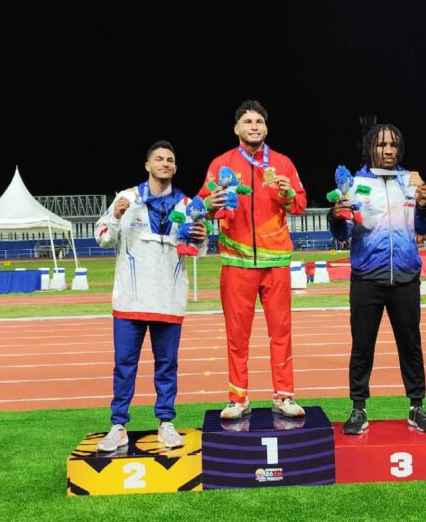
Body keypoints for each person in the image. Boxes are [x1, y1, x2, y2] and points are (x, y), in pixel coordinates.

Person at [94, 141, 207, 452]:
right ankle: (118, 425)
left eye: (170, 159)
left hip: (168, 299)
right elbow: (102, 238)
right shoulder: (126, 198)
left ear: (175, 167)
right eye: (159, 159)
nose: (165, 163)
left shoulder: (187, 204)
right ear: (147, 165)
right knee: (124, 364)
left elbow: (196, 250)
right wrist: (115, 217)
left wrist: (201, 238)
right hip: (130, 299)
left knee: (167, 365)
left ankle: (166, 423)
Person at [200, 100, 307, 420]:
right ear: (237, 128)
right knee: (236, 334)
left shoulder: (283, 163)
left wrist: (289, 193)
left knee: (281, 332)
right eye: (247, 121)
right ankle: (238, 398)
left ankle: (284, 395)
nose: (254, 126)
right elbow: (202, 205)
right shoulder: (221, 164)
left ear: (266, 128)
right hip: (236, 262)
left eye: (259, 121)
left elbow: (299, 203)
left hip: (275, 261)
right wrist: (210, 203)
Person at [328, 124, 426, 435]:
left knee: (411, 345)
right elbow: (343, 232)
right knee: (362, 347)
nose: (388, 150)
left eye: (392, 144)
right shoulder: (355, 183)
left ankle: (417, 406)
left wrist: (425, 206)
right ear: (370, 148)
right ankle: (358, 409)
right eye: (381, 144)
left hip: (405, 278)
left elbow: (425, 227)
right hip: (366, 278)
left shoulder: (411, 180)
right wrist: (335, 218)